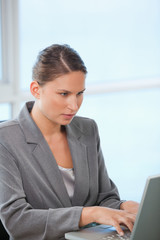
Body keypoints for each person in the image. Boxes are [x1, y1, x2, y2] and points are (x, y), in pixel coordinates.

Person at [0, 44, 139, 240]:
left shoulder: (88, 130)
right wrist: (87, 214)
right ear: (36, 90)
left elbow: (105, 197)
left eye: (79, 93)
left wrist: (124, 206)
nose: (74, 106)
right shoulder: (6, 139)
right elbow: (17, 221)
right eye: (64, 94)